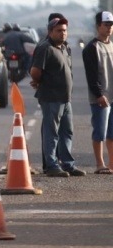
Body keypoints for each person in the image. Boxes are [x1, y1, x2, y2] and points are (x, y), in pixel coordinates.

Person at [30, 16, 86, 177]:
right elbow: (35, 71)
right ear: (50, 32)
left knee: (67, 131)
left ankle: (67, 164)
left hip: (65, 98)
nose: (62, 34)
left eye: (65, 30)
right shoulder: (44, 48)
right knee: (52, 132)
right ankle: (52, 165)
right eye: (59, 31)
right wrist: (38, 81)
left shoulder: (65, 47)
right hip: (51, 97)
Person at [82, 11, 113, 174]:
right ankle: (100, 164)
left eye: (111, 25)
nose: (109, 28)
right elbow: (91, 75)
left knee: (112, 133)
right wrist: (99, 94)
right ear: (98, 26)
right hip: (101, 98)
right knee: (100, 132)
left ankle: (112, 163)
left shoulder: (112, 45)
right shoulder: (92, 48)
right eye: (106, 24)